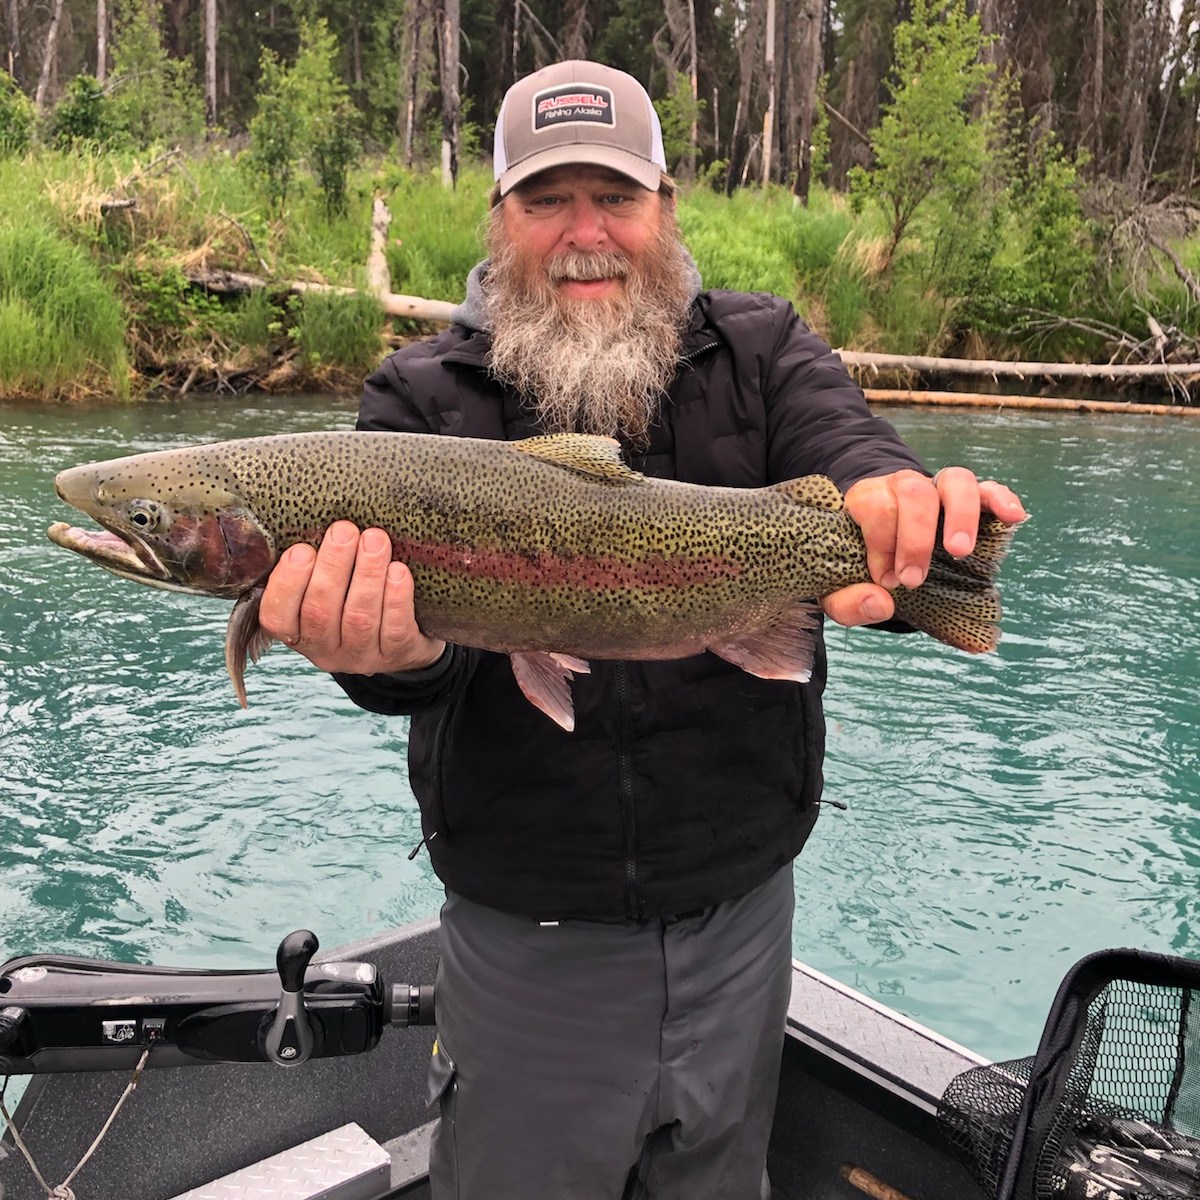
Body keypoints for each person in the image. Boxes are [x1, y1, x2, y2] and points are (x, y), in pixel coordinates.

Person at [259, 60, 1026, 1200]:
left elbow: (848, 448)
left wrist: (900, 514)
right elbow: (413, 673)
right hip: (526, 943)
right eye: (546, 200)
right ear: (499, 219)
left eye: (614, 198)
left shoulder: (762, 351)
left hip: (745, 922)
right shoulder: (419, 403)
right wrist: (390, 663)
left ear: (665, 210)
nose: (585, 234)